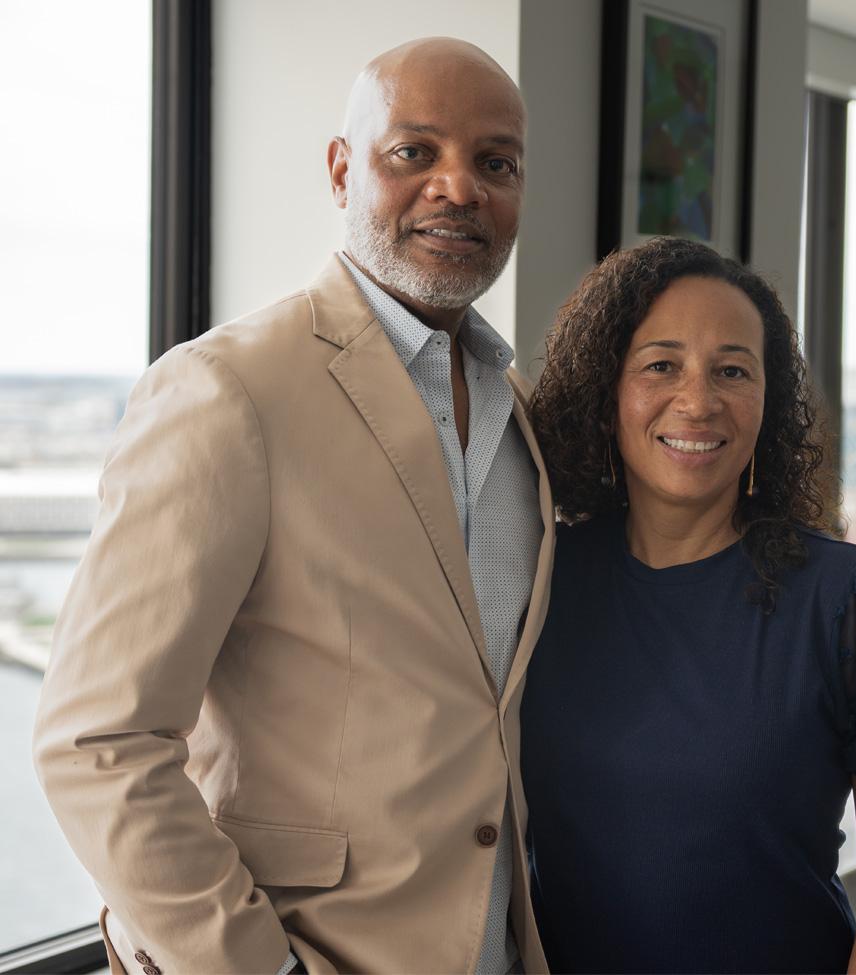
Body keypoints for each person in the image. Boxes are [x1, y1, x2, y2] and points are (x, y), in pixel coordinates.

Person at [33, 37, 554, 975]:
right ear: (342, 169)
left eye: (494, 162)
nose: (457, 187)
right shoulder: (224, 390)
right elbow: (96, 738)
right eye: (414, 152)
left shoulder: (521, 417)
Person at [521, 236, 856, 974]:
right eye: (661, 365)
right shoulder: (540, 579)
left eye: (732, 370)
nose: (697, 401)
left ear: (768, 402)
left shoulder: (852, 596)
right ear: (606, 393)